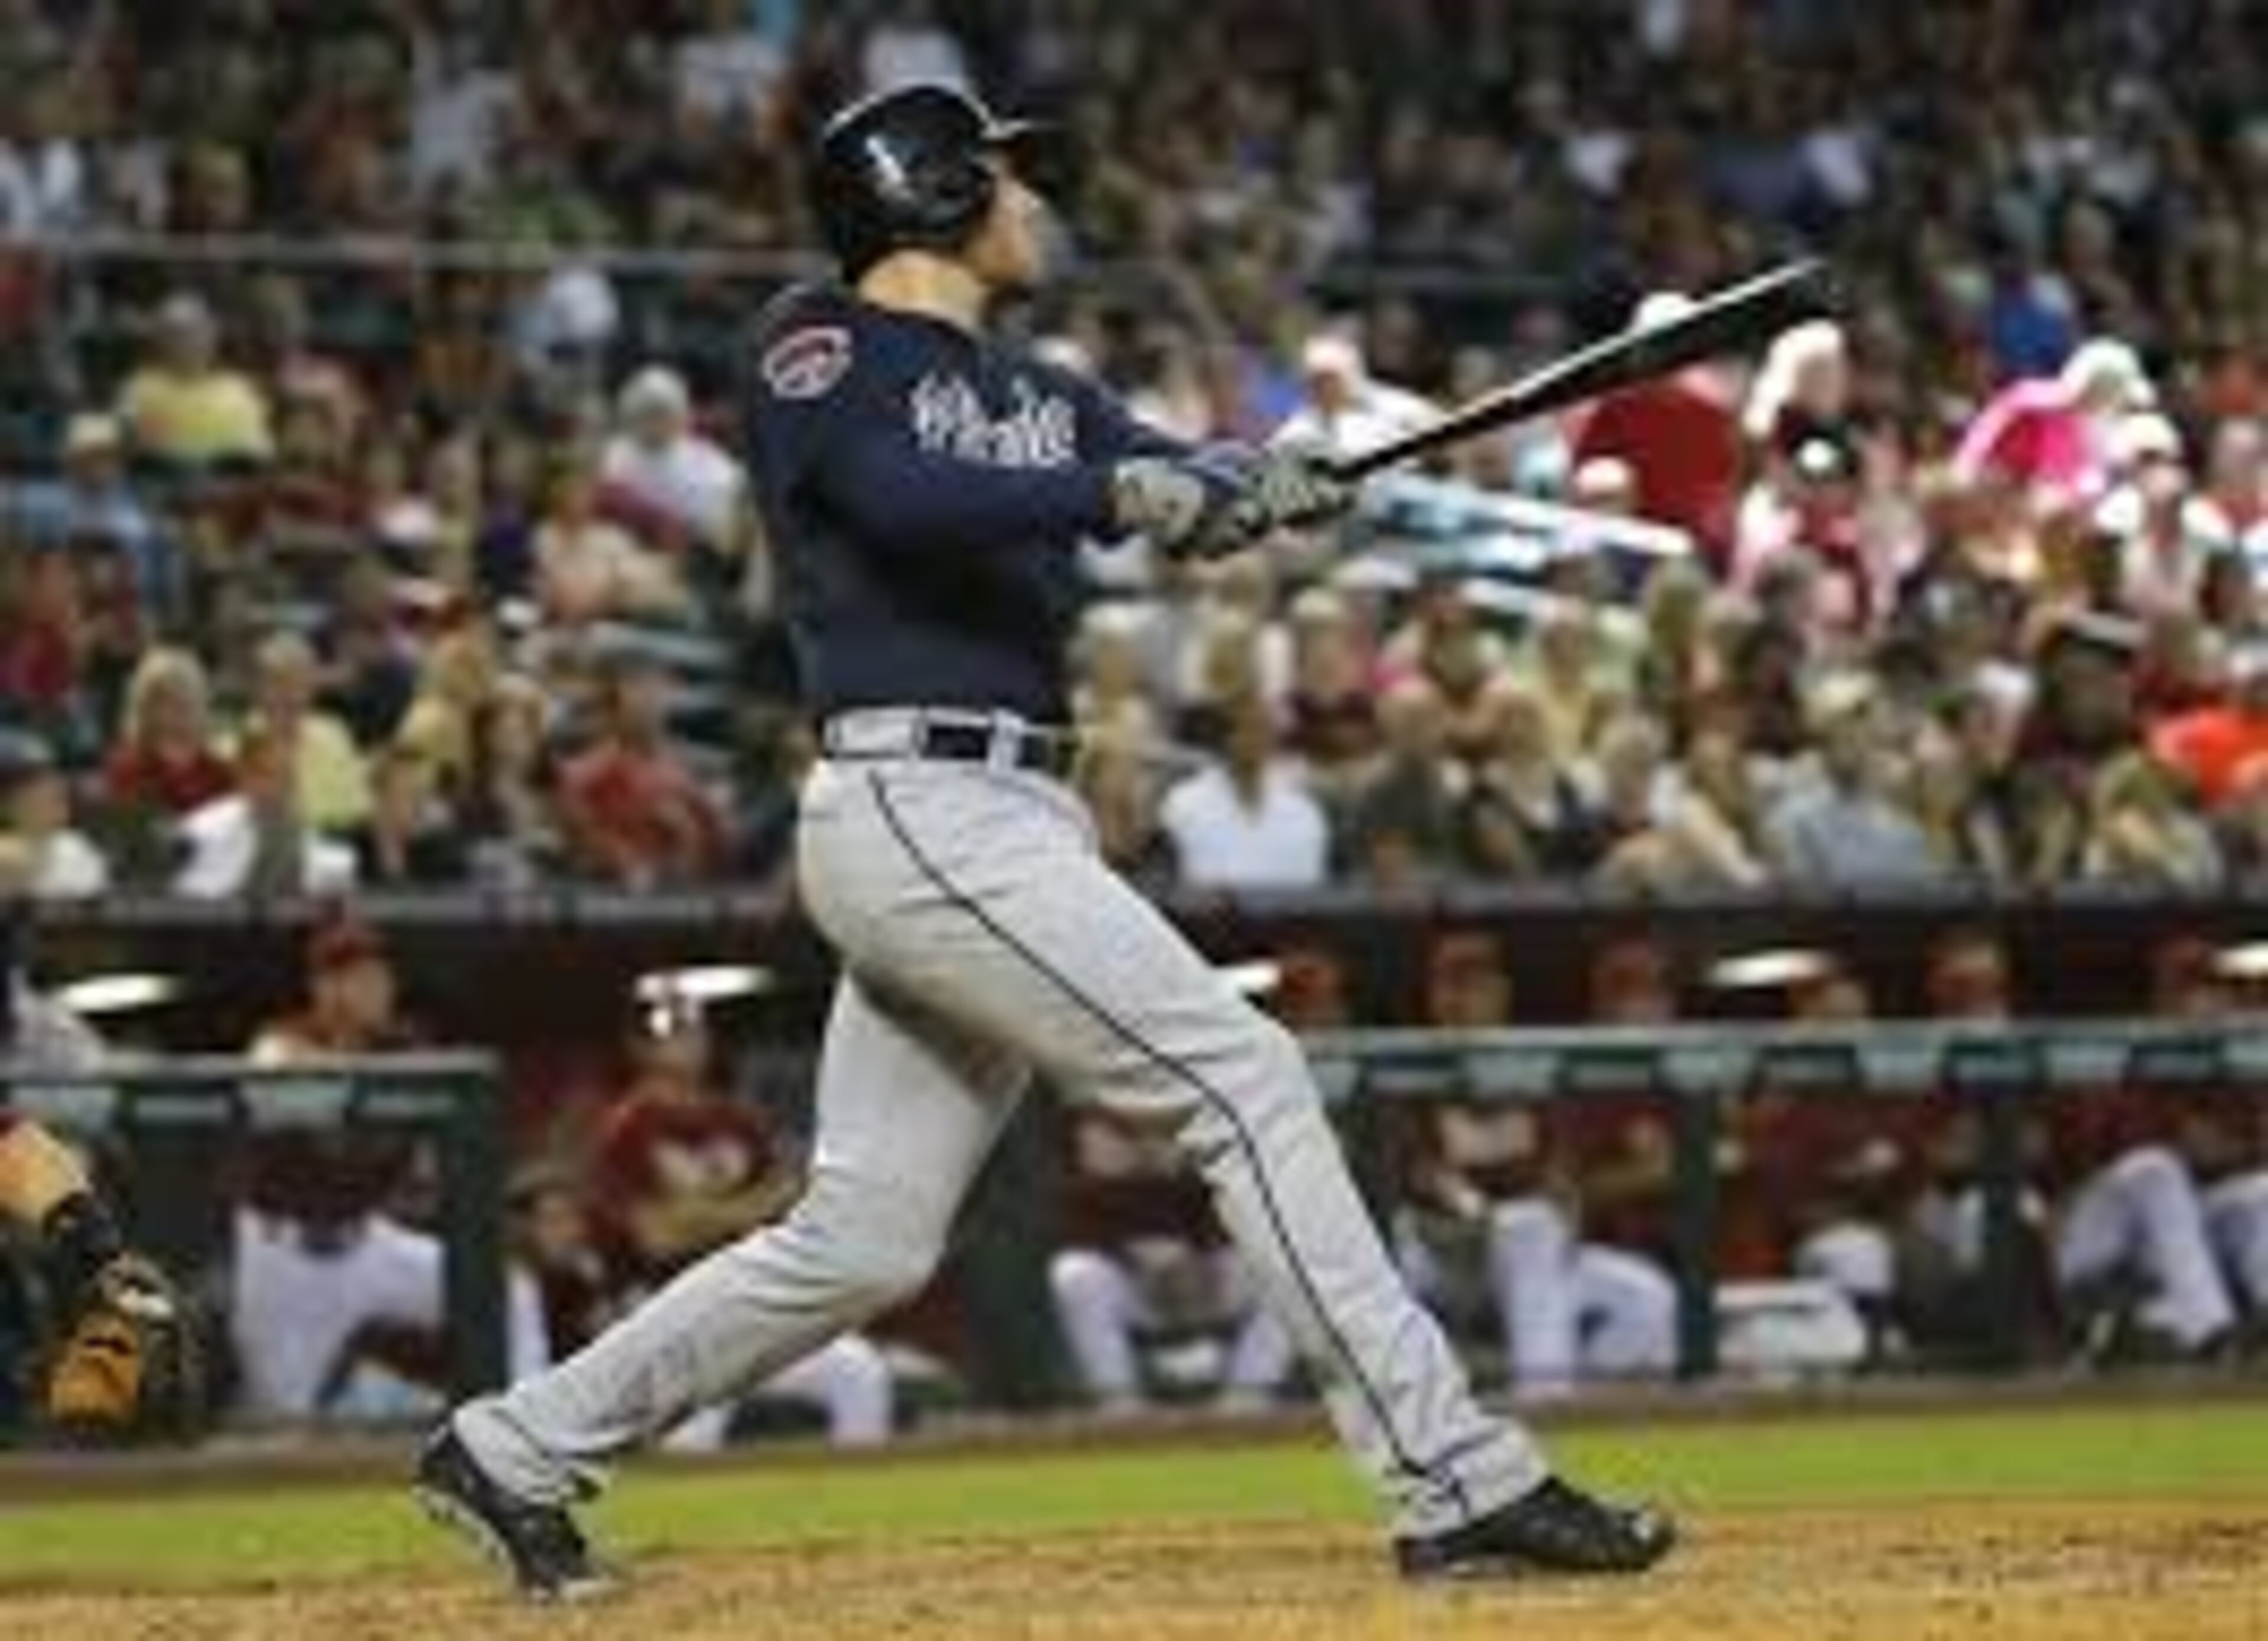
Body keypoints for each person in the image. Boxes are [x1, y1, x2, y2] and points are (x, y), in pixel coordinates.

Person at [415, 82, 1672, 1600]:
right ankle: (1453, 1477)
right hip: (914, 798)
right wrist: (1118, 490)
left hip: (1011, 809)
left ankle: (516, 1446)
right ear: (930, 191)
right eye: (1010, 177)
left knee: (866, 1241)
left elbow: (1157, 470)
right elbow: (900, 495)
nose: (1037, 201)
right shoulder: (823, 341)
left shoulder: (1045, 388)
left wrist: (1251, 484)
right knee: (1244, 1074)